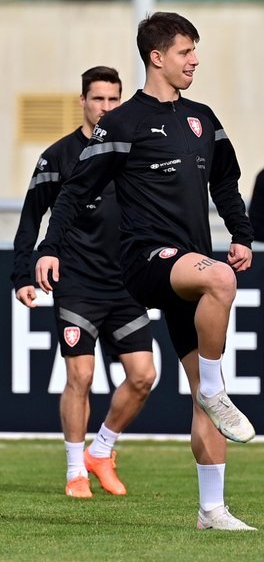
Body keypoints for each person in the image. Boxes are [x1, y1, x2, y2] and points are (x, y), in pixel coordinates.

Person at [36, 12, 257, 531]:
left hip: (189, 262)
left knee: (202, 391)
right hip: (144, 259)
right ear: (156, 57)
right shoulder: (123, 122)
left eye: (195, 51)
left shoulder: (203, 117)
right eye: (185, 52)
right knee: (222, 280)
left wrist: (241, 233)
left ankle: (212, 511)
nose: (195, 60)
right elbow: (76, 190)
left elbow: (225, 184)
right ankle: (213, 386)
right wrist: (49, 247)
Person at [10, 66, 156, 499]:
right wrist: (23, 273)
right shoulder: (57, 156)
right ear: (83, 101)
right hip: (77, 284)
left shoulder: (133, 151)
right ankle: (76, 470)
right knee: (82, 375)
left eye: (114, 100)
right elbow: (31, 219)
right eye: (98, 99)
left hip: (127, 284)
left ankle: (102, 449)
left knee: (144, 376)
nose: (106, 107)